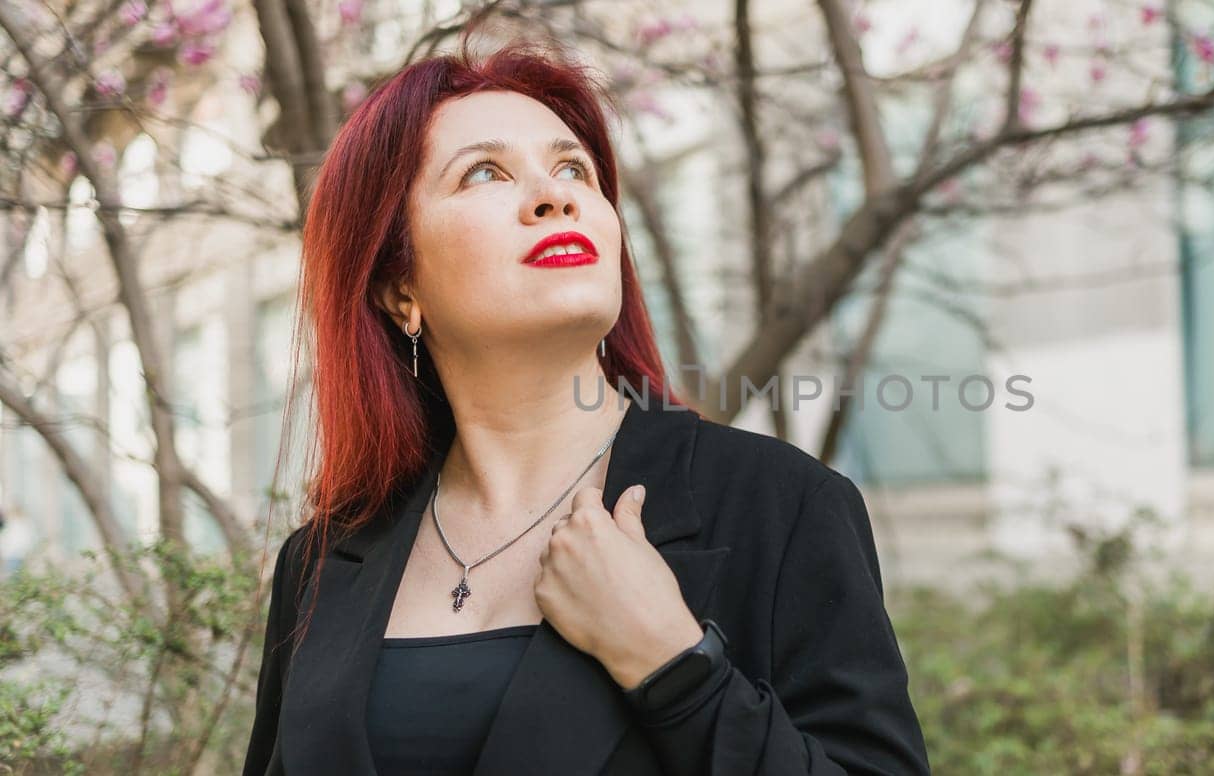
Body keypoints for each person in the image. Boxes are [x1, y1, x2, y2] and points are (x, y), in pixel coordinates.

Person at [241, 37, 930, 776]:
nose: (556, 195)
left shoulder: (780, 506)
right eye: (484, 173)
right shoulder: (318, 567)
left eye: (574, 168)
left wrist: (673, 664)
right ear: (399, 290)